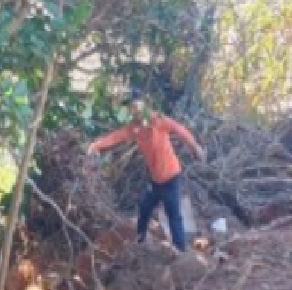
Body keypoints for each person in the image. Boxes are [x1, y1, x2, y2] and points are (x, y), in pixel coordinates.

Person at [87, 97, 206, 252]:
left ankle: (181, 251)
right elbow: (116, 136)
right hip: (155, 181)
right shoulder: (134, 128)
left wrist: (194, 147)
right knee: (144, 209)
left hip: (171, 177)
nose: (134, 109)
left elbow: (180, 130)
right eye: (131, 107)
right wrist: (96, 145)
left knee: (173, 214)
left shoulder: (159, 120)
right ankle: (140, 241)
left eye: (136, 105)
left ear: (144, 105)